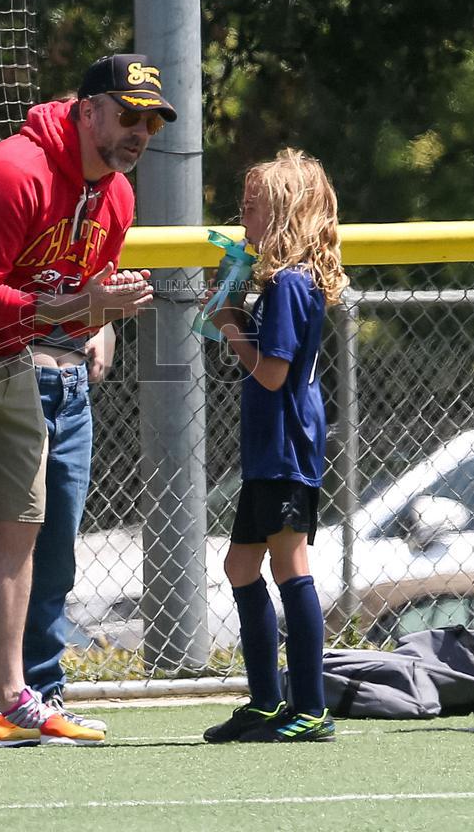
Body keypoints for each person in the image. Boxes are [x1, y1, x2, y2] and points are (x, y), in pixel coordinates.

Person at [0, 53, 176, 747]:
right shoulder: (10, 172)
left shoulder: (117, 197)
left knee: (21, 521)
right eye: (126, 114)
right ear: (87, 111)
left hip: (11, 349)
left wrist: (102, 313)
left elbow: (67, 313)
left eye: (150, 121)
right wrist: (85, 303)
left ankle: (16, 692)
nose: (139, 131)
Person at [200, 148, 348, 744]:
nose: (243, 214)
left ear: (285, 214)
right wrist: (234, 302)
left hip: (288, 447)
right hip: (269, 448)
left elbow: (271, 374)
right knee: (240, 566)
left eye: (254, 206)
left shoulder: (289, 282)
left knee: (290, 567)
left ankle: (309, 707)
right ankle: (265, 700)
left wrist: (230, 321)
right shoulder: (279, 279)